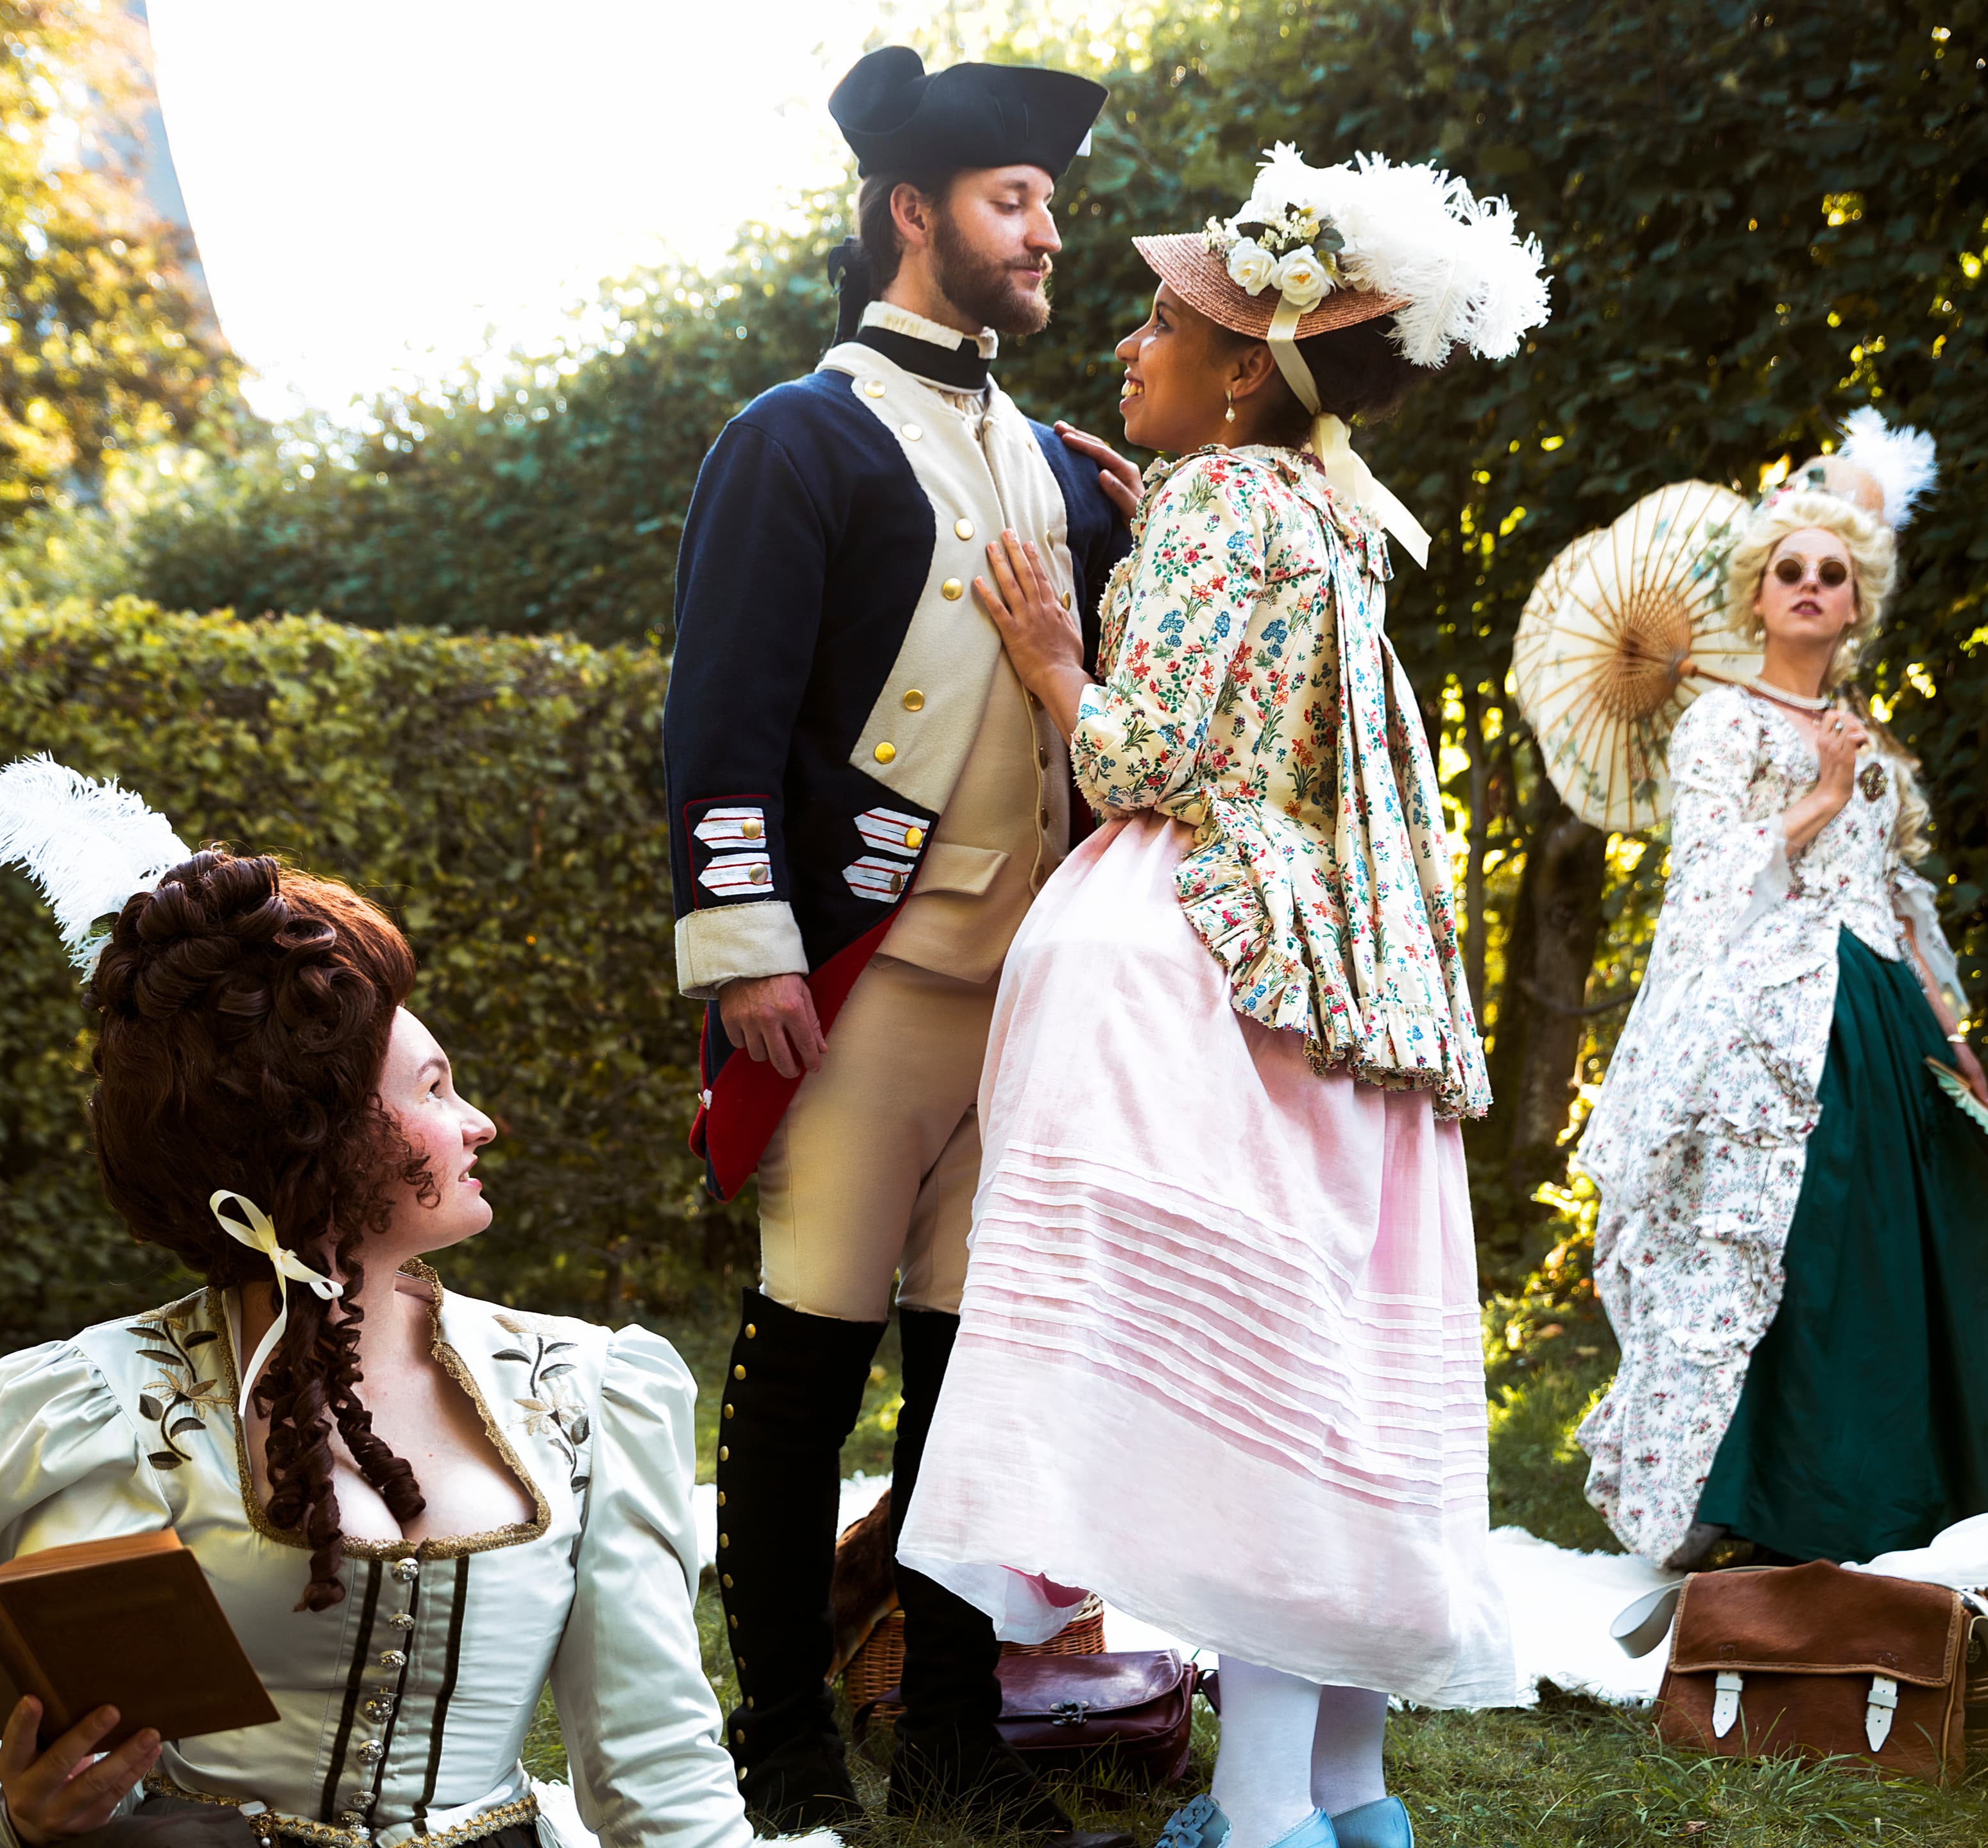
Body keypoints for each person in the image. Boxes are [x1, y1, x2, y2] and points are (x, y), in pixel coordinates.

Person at [893, 146, 1551, 1848]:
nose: (1130, 341)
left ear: (1243, 370)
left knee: (1224, 1400)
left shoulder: (1217, 512)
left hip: (1191, 966)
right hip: (1346, 982)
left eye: (1163, 322)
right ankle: (1342, 1797)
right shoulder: (1323, 511)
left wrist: (1059, 663)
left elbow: (1150, 760)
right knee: (1322, 1388)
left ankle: (1260, 1816)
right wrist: (1168, 514)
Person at [0, 760, 754, 1848]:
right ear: (314, 1133)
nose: (479, 1124)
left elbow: (656, 1763)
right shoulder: (104, 1410)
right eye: (434, 1090)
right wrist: (28, 1809)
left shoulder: (586, 1391)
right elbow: (71, 1765)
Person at [661, 45, 1132, 1843]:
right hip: (854, 988)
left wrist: (1143, 532)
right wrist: (749, 947)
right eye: (1019, 204)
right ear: (912, 214)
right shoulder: (795, 437)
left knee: (973, 1387)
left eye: (1052, 206)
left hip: (1026, 994)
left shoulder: (1055, 460)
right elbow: (721, 725)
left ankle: (949, 1736)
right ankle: (777, 1729)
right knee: (804, 1367)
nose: (1050, 236)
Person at [1573, 483, 1988, 1571]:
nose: (1809, 586)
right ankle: (1773, 1498)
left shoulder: (1868, 732)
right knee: (1813, 1243)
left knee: (1940, 1234)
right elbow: (1703, 873)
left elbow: (1894, 898)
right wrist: (1820, 795)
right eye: (1789, 571)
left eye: (1830, 574)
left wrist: (1957, 1032)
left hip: (1888, 1014)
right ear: (1759, 598)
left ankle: (1934, 1490)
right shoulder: (1723, 719)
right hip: (1775, 1020)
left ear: (1855, 608)